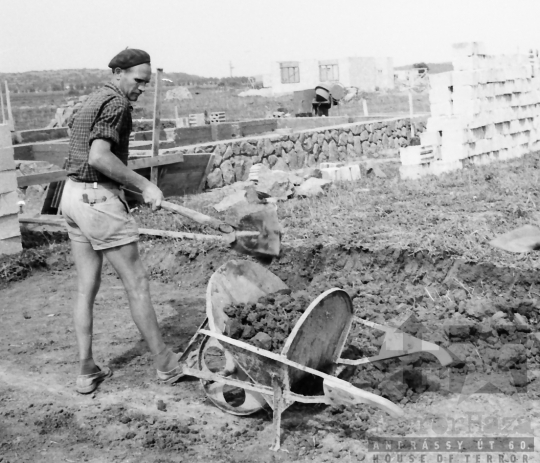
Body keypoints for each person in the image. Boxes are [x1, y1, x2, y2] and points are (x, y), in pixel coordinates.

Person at [61, 48, 182, 394]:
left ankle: (86, 370)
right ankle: (165, 364)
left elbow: (86, 154)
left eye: (146, 82)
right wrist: (143, 184)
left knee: (86, 286)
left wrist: (120, 189)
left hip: (72, 197)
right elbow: (99, 157)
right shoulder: (117, 105)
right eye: (138, 80)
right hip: (96, 199)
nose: (142, 88)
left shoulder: (94, 98)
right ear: (118, 72)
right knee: (137, 284)